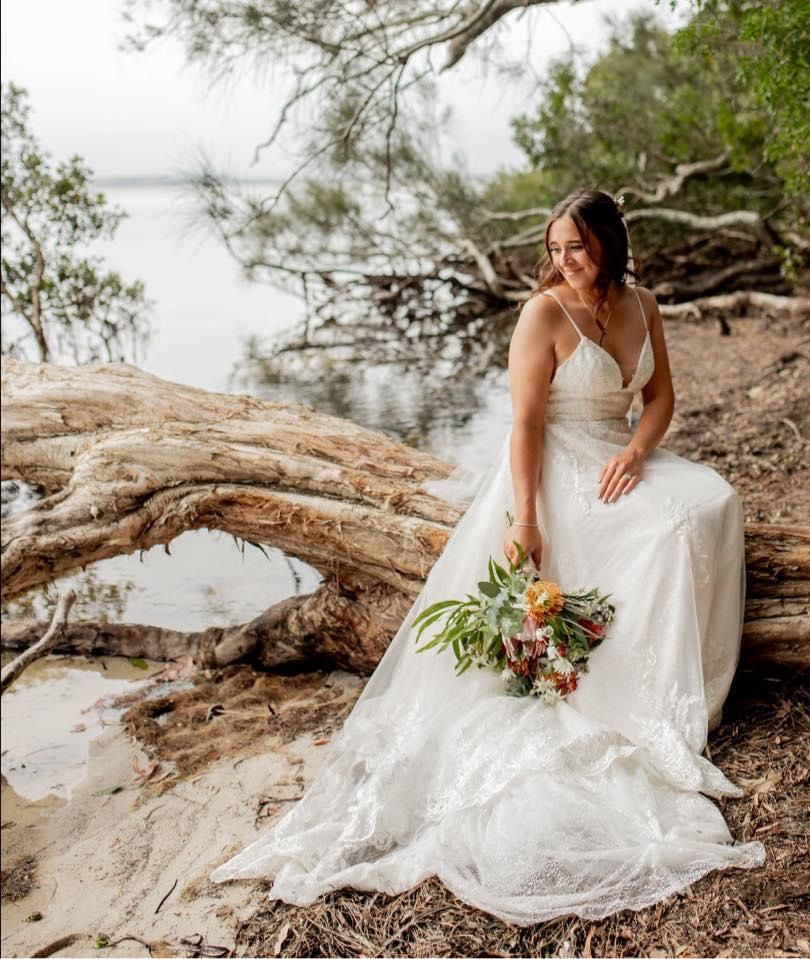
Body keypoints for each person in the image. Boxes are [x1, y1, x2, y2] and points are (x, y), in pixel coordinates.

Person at [210, 188, 765, 925]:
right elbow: (525, 423)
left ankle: (683, 686)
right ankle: (640, 699)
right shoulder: (543, 314)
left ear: (609, 243)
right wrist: (526, 518)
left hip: (614, 453)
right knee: (664, 532)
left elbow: (660, 398)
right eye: (556, 248)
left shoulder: (643, 304)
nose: (564, 259)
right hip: (555, 463)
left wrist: (637, 451)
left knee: (712, 501)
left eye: (577, 247)